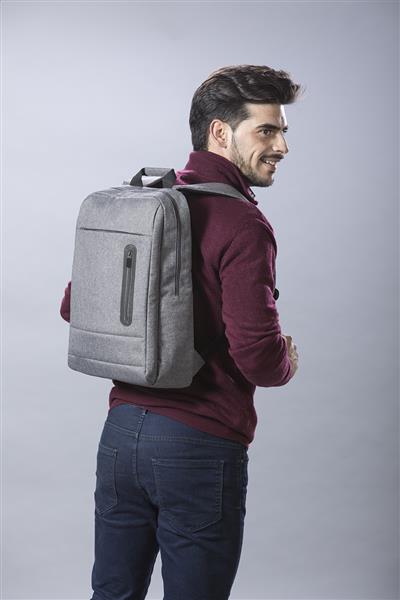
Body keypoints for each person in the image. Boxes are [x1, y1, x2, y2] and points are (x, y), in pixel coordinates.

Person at [60, 64, 302, 600]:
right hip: (199, 443)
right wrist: (285, 358)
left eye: (283, 131)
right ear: (220, 132)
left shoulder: (142, 202)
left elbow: (74, 307)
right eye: (267, 130)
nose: (282, 146)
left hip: (121, 436)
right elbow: (258, 358)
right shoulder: (243, 224)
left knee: (112, 594)